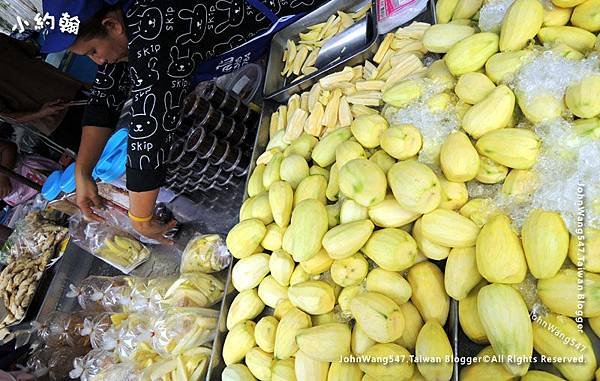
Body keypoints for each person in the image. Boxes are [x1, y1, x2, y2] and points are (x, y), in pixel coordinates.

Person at [41, 0, 325, 244]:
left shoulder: (155, 28)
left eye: (93, 51)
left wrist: (141, 218)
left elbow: (150, 127)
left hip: (301, 16)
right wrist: (83, 171)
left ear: (112, 26)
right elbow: (104, 98)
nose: (98, 62)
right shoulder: (125, 24)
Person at [0, 33, 86, 153]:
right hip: (57, 113)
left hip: (59, 106)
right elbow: (9, 117)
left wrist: (42, 113)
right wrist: (41, 113)